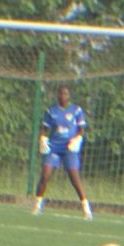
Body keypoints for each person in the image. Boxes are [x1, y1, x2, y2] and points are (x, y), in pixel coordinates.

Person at [31, 85, 92, 220]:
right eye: (61, 94)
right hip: (54, 146)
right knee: (45, 175)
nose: (63, 96)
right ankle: (37, 205)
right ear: (57, 95)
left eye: (65, 94)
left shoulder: (76, 110)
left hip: (69, 147)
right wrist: (42, 139)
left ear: (69, 96)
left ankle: (86, 207)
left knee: (74, 177)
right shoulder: (51, 111)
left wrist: (77, 139)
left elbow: (81, 129)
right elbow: (44, 128)